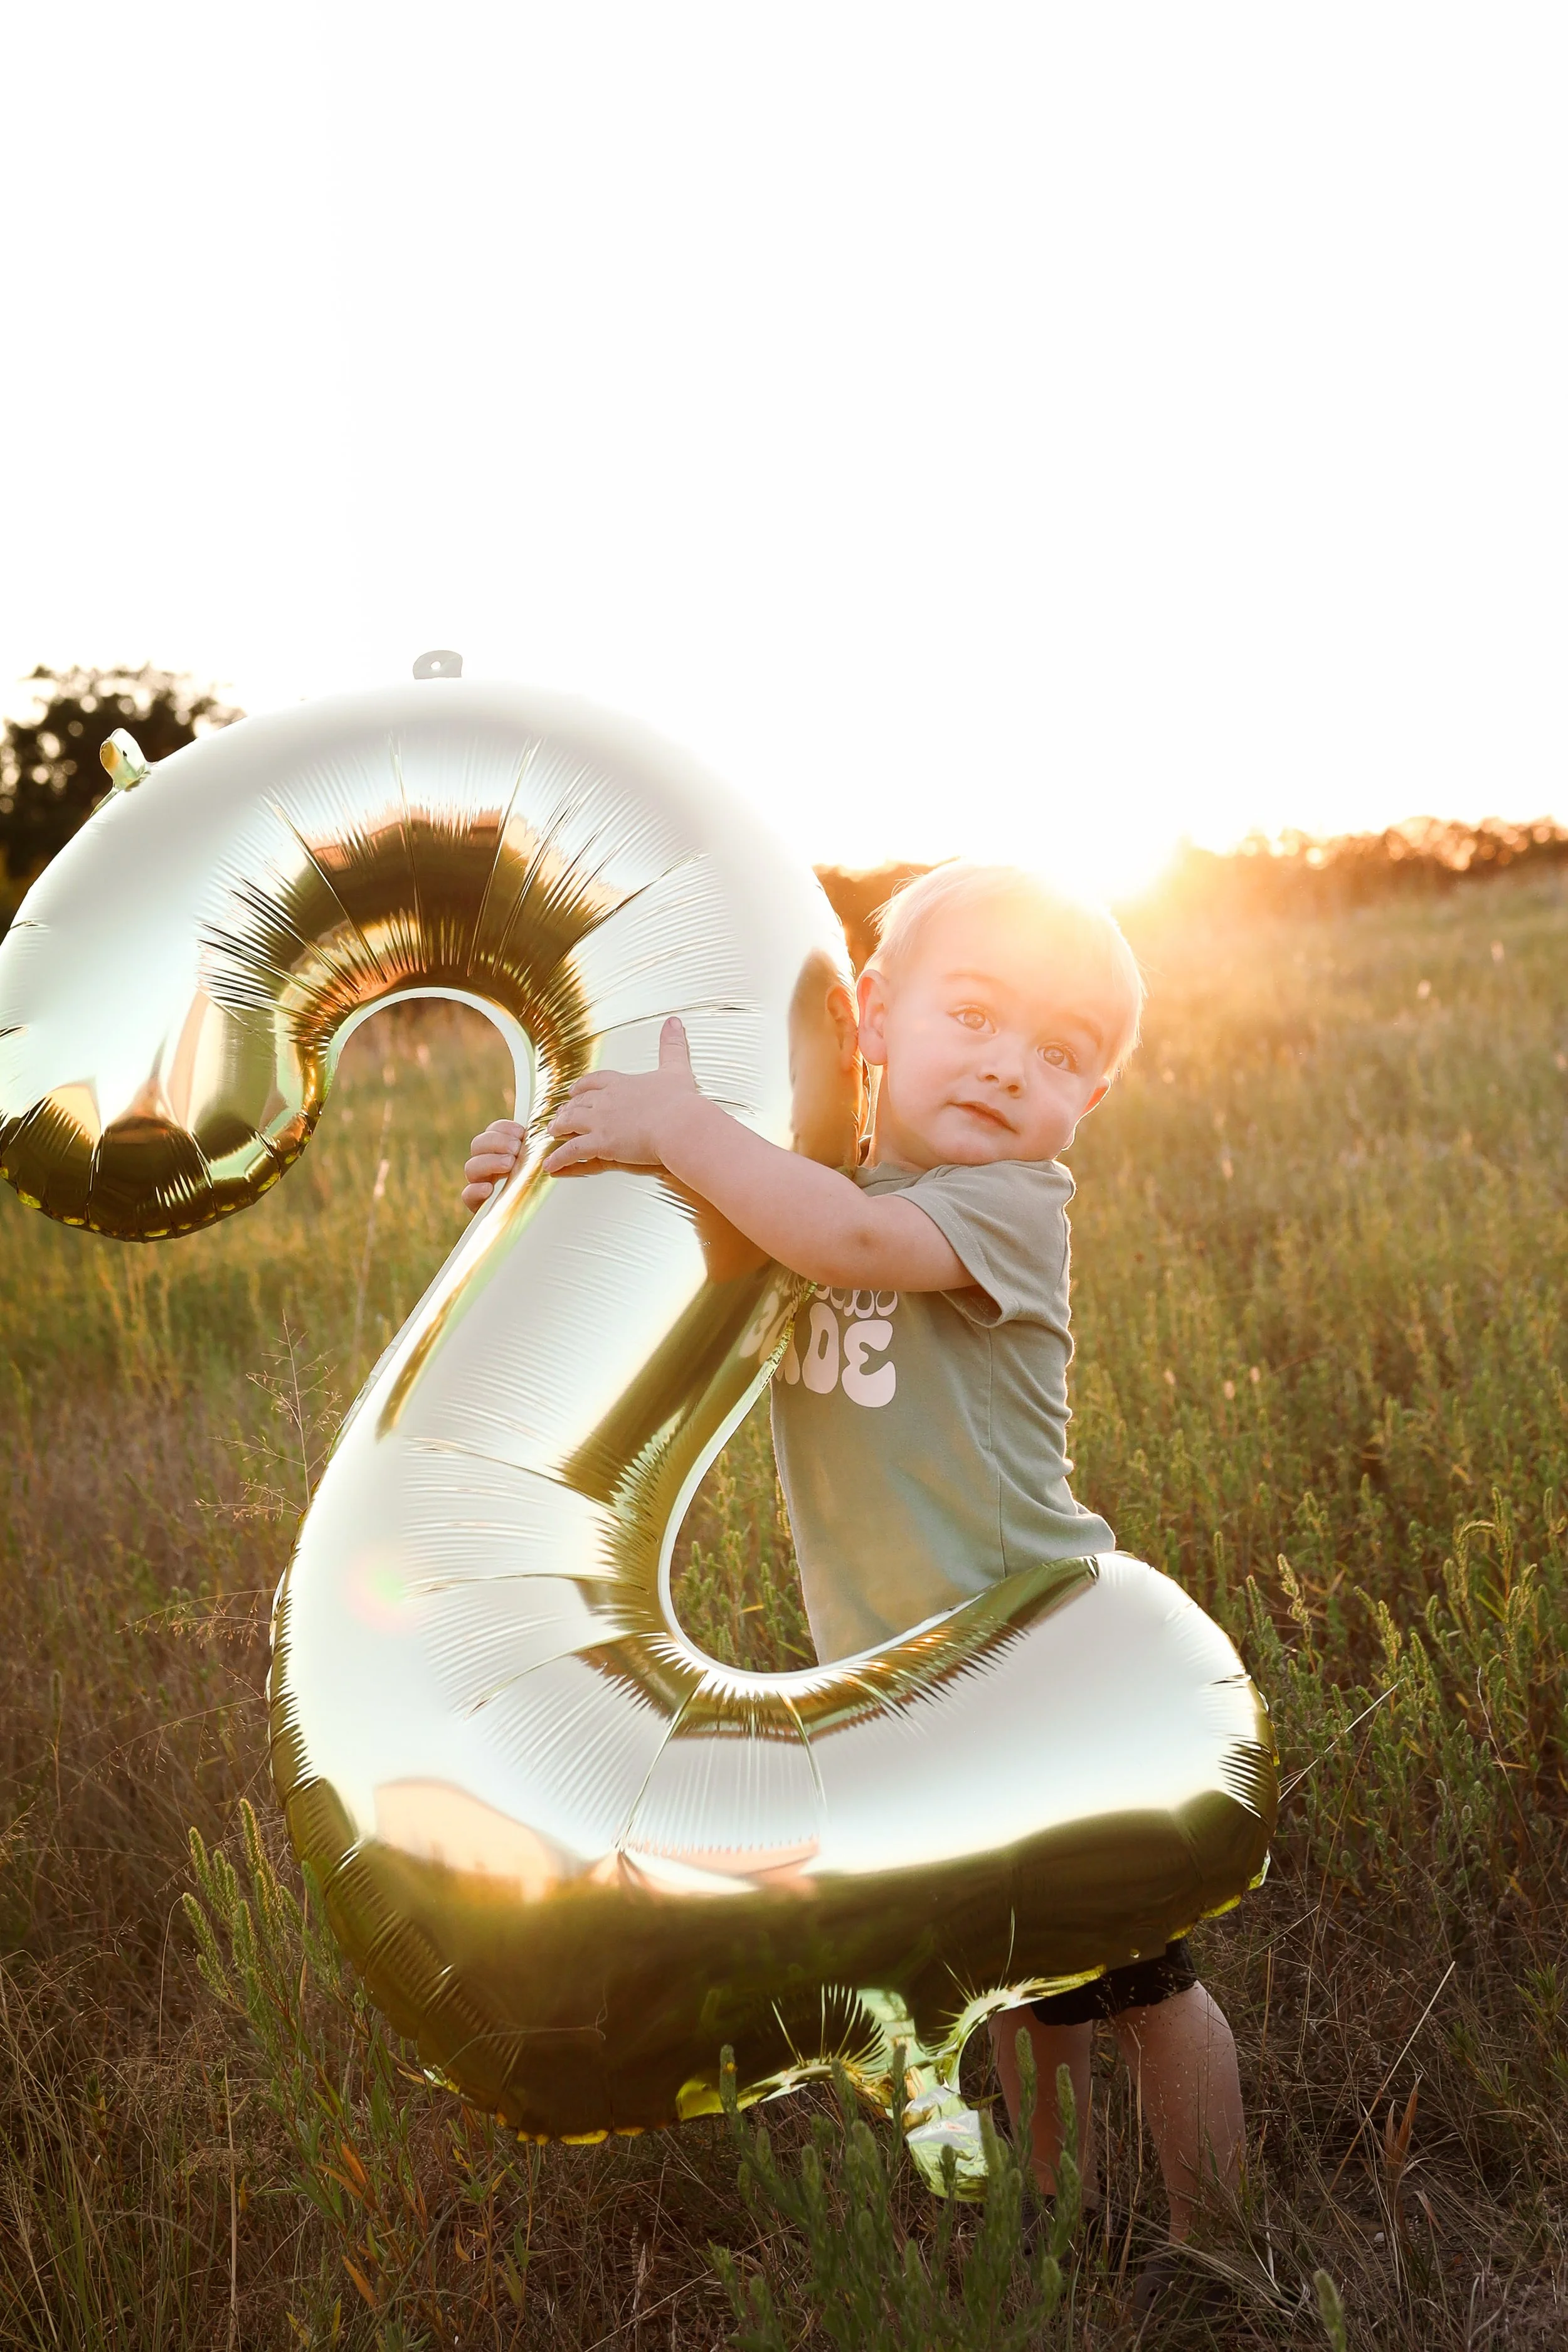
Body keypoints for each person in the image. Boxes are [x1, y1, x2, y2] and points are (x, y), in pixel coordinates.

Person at [460, 861, 1245, 2264]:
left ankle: (1215, 2241)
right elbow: (664, 1283)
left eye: (1058, 1055)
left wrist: (685, 1125)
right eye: (974, 1016)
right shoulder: (795, 1188)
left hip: (1039, 1673)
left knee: (1145, 1984)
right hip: (908, 1696)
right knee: (1018, 1985)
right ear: (871, 1016)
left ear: (1091, 1103)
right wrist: (536, 1195)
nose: (1009, 1069)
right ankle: (1057, 2216)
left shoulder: (1008, 1203)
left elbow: (846, 1239)